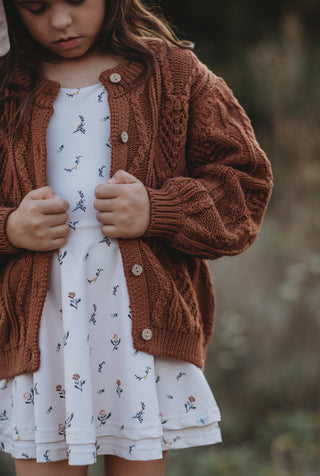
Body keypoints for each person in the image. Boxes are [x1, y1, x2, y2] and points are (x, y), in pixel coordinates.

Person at [0, 0, 273, 475]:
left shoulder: (174, 73)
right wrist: (9, 227)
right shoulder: (6, 84)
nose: (60, 21)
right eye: (37, 7)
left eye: (77, 1)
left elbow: (245, 188)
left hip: (138, 337)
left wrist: (160, 210)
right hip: (43, 337)